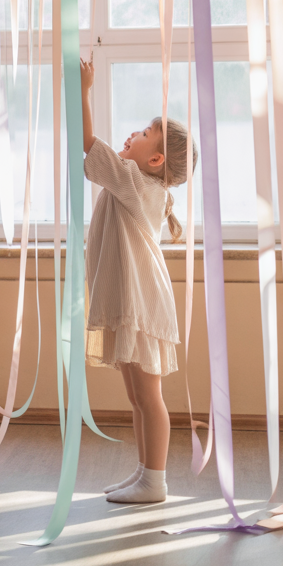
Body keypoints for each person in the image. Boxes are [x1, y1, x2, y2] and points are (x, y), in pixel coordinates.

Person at [80, 56, 196, 505]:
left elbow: (88, 144)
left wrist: (85, 90)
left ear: (155, 158)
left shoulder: (132, 182)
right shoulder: (140, 184)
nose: (134, 132)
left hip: (142, 304)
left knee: (148, 395)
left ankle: (157, 481)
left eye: (146, 133)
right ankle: (145, 472)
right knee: (137, 393)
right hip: (138, 300)